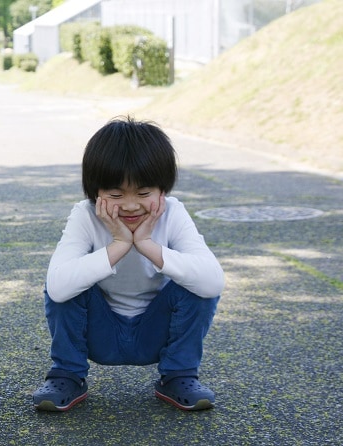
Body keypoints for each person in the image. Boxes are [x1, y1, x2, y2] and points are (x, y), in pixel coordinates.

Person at [32, 116, 224, 412]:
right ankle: (67, 374)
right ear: (95, 192)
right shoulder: (85, 215)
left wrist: (147, 244)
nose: (131, 205)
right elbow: (56, 288)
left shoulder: (173, 213)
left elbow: (213, 282)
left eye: (144, 193)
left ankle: (179, 374)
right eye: (116, 195)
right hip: (100, 331)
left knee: (196, 281)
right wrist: (120, 244)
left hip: (156, 331)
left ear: (163, 190)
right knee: (67, 282)